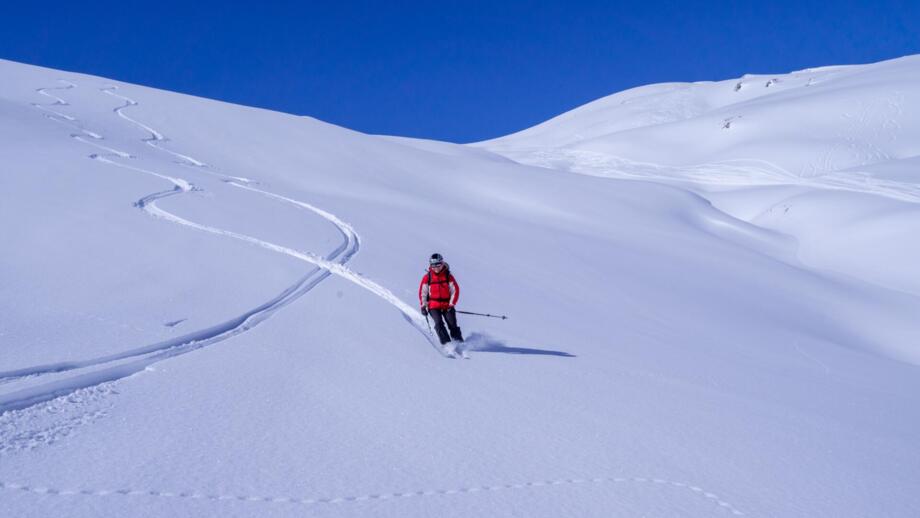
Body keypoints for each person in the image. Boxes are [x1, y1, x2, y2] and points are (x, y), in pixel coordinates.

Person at [419, 253, 463, 345]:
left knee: (452, 325)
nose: (436, 268)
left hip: (447, 305)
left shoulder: (448, 276)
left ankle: (459, 343)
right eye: (433, 265)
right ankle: (447, 344)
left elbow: (455, 290)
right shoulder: (427, 277)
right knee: (438, 324)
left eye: (438, 265)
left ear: (442, 263)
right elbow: (423, 293)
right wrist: (423, 306)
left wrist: (451, 304)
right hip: (433, 305)